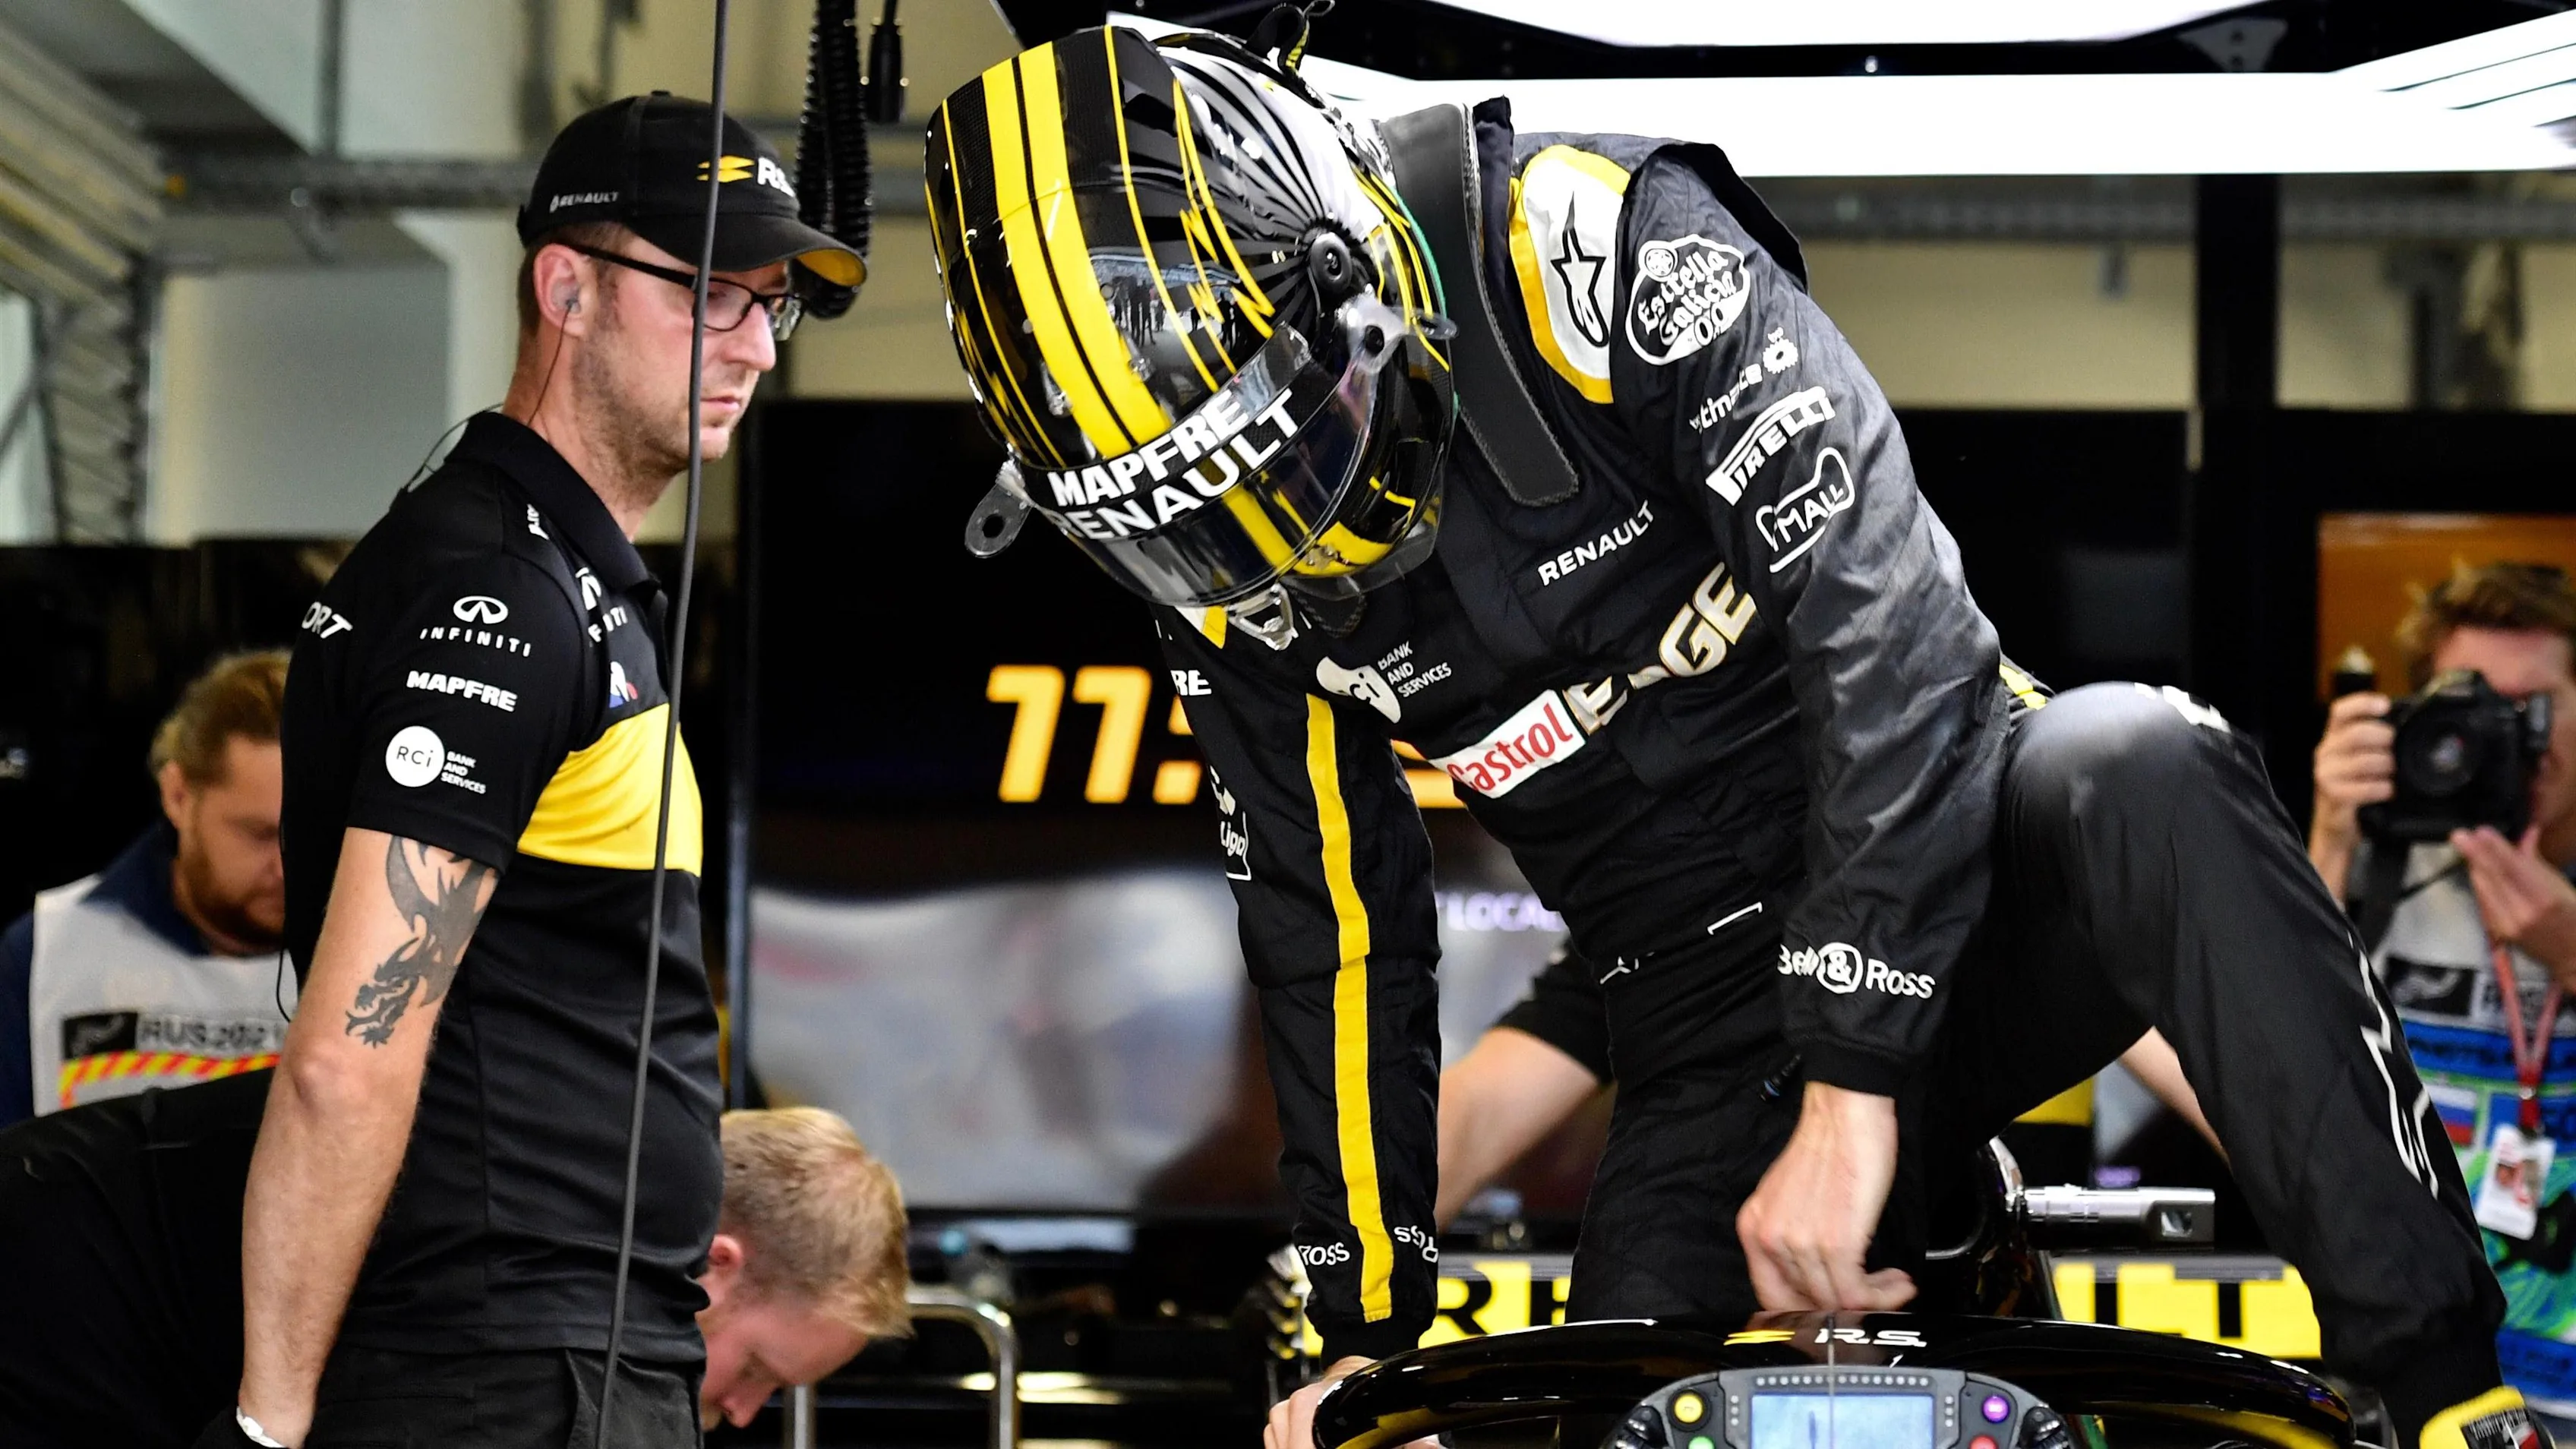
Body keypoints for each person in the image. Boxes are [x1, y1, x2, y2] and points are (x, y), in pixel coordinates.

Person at [923, 24, 2530, 1449]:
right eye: (1203, 522)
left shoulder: (1590, 246)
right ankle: (1945, 1219)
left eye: (1289, 456)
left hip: (1971, 870)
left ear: (1354, 271)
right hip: (1695, 1024)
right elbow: (1331, 933)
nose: (1279, 537)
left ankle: (2449, 1394)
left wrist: (1854, 1086)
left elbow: (1889, 625)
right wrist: (1362, 1339)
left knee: (2146, 758)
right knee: (1627, 1419)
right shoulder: (1214, 547)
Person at [220, 94, 861, 1449]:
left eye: (770, 304)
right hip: (507, 1369)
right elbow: (349, 1054)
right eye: (707, 293)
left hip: (556, 1355)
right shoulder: (501, 594)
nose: (753, 343)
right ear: (565, 286)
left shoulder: (548, 581)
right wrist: (266, 1427)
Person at [0, 1075, 909, 1446]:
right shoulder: (519, 1232)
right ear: (713, 1264)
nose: (744, 1415)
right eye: (756, 1369)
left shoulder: (577, 1188)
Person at [2311, 561, 2576, 1413]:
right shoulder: (2381, 868)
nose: (2503, 734)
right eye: (2472, 706)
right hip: (2420, 1390)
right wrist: (2327, 839)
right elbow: (2281, 1068)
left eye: (2530, 706)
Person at [1435, 951, 2219, 1228]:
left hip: (2002, 1335)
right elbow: (1467, 1125)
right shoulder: (1678, 923)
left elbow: (2248, 1091)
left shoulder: (2024, 877)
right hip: (1759, 1347)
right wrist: (1340, 1276)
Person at [0, 650, 295, 1129]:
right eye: (258, 834)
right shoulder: (43, 956)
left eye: (313, 835)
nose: (288, 868)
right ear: (178, 796)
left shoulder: (391, 962)